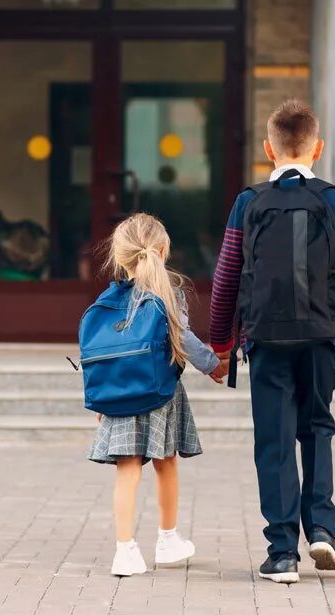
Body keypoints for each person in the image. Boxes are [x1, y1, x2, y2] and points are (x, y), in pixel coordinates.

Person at [208, 99, 335, 584]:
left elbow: (225, 279)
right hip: (324, 336)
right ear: (317, 149)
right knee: (317, 428)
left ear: (269, 149)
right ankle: (322, 529)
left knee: (275, 439)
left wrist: (221, 344)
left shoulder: (249, 203)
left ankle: (282, 552)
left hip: (265, 339)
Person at [88, 213, 230, 577]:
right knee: (166, 463)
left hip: (118, 394)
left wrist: (100, 398)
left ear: (119, 257)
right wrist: (214, 365)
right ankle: (167, 540)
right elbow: (184, 338)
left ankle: (125, 550)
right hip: (159, 394)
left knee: (127, 470)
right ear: (163, 251)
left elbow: (98, 352)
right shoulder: (169, 292)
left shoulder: (108, 299)